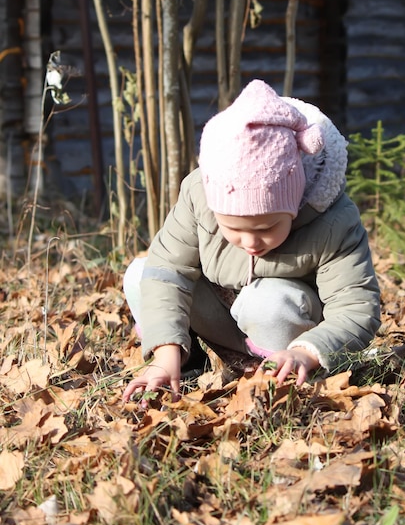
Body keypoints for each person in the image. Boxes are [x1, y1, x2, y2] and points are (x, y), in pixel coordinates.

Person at [122, 79, 380, 403]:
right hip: (224, 315)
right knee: (141, 273)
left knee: (271, 301)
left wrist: (307, 352)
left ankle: (275, 384)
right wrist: (165, 351)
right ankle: (181, 372)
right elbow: (167, 271)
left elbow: (355, 306)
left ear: (295, 202)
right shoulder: (199, 194)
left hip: (288, 332)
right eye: (232, 227)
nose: (250, 242)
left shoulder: (333, 219)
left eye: (267, 227)